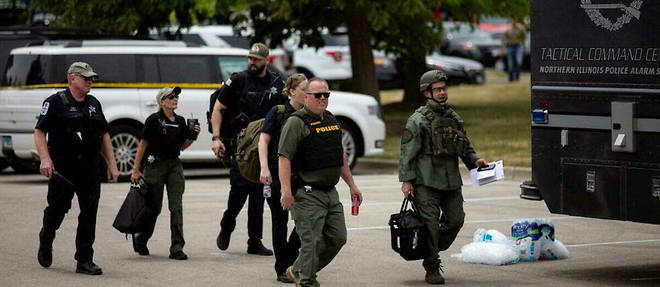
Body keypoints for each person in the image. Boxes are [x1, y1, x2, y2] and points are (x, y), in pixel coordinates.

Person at [399, 70, 487, 284]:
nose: (442, 93)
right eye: (437, 89)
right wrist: (407, 180)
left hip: (450, 181)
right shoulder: (417, 120)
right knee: (429, 224)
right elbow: (407, 152)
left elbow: (464, 145)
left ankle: (429, 246)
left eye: (443, 88)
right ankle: (432, 267)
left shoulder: (453, 118)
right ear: (427, 92)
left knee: (456, 220)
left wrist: (475, 161)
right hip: (426, 182)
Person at [34, 62, 120, 275]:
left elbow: (104, 135)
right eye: (86, 78)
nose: (90, 81)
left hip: (90, 166)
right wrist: (45, 159)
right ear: (73, 78)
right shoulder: (55, 102)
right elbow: (39, 132)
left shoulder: (93, 103)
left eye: (91, 78)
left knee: (89, 213)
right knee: (57, 209)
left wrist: (112, 163)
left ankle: (84, 259)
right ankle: (46, 236)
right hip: (63, 166)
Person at [279, 77, 363, 287]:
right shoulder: (296, 122)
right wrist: (286, 191)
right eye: (318, 95)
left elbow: (340, 156)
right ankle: (307, 280)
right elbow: (284, 158)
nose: (323, 98)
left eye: (326, 94)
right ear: (306, 97)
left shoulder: (331, 120)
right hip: (306, 193)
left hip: (330, 192)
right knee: (311, 241)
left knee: (337, 238)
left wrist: (352, 185)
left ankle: (298, 270)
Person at [211, 43, 287, 255]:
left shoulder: (276, 82)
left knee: (259, 195)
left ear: (266, 60)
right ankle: (227, 225)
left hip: (266, 147)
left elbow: (285, 110)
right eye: (250, 58)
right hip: (241, 147)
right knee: (239, 192)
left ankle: (254, 241)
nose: (252, 62)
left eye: (256, 59)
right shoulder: (238, 80)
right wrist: (216, 137)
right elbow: (218, 109)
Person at [129, 87, 200, 260]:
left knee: (176, 207)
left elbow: (182, 147)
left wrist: (193, 136)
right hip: (155, 166)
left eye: (176, 96)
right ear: (162, 102)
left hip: (174, 165)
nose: (174, 99)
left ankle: (176, 247)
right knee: (154, 207)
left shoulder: (180, 121)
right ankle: (142, 239)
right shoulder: (153, 120)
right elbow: (143, 145)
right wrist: (136, 169)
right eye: (170, 97)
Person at [258, 74, 306, 283]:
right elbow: (263, 140)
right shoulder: (278, 112)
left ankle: (290, 257)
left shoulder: (309, 114)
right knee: (280, 222)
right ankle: (282, 268)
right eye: (304, 89)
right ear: (292, 91)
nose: (308, 93)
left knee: (305, 219)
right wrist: (264, 168)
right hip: (277, 176)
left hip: (302, 177)